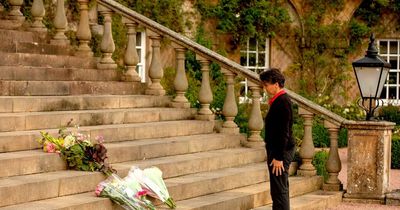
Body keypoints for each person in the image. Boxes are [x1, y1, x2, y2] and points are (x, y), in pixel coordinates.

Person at [260, 68, 295, 210]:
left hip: (281, 151)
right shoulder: (279, 100)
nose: (265, 88)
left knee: (279, 190)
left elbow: (283, 132)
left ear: (276, 84)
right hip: (278, 150)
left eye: (266, 84)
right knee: (278, 189)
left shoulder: (283, 102)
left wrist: (279, 157)